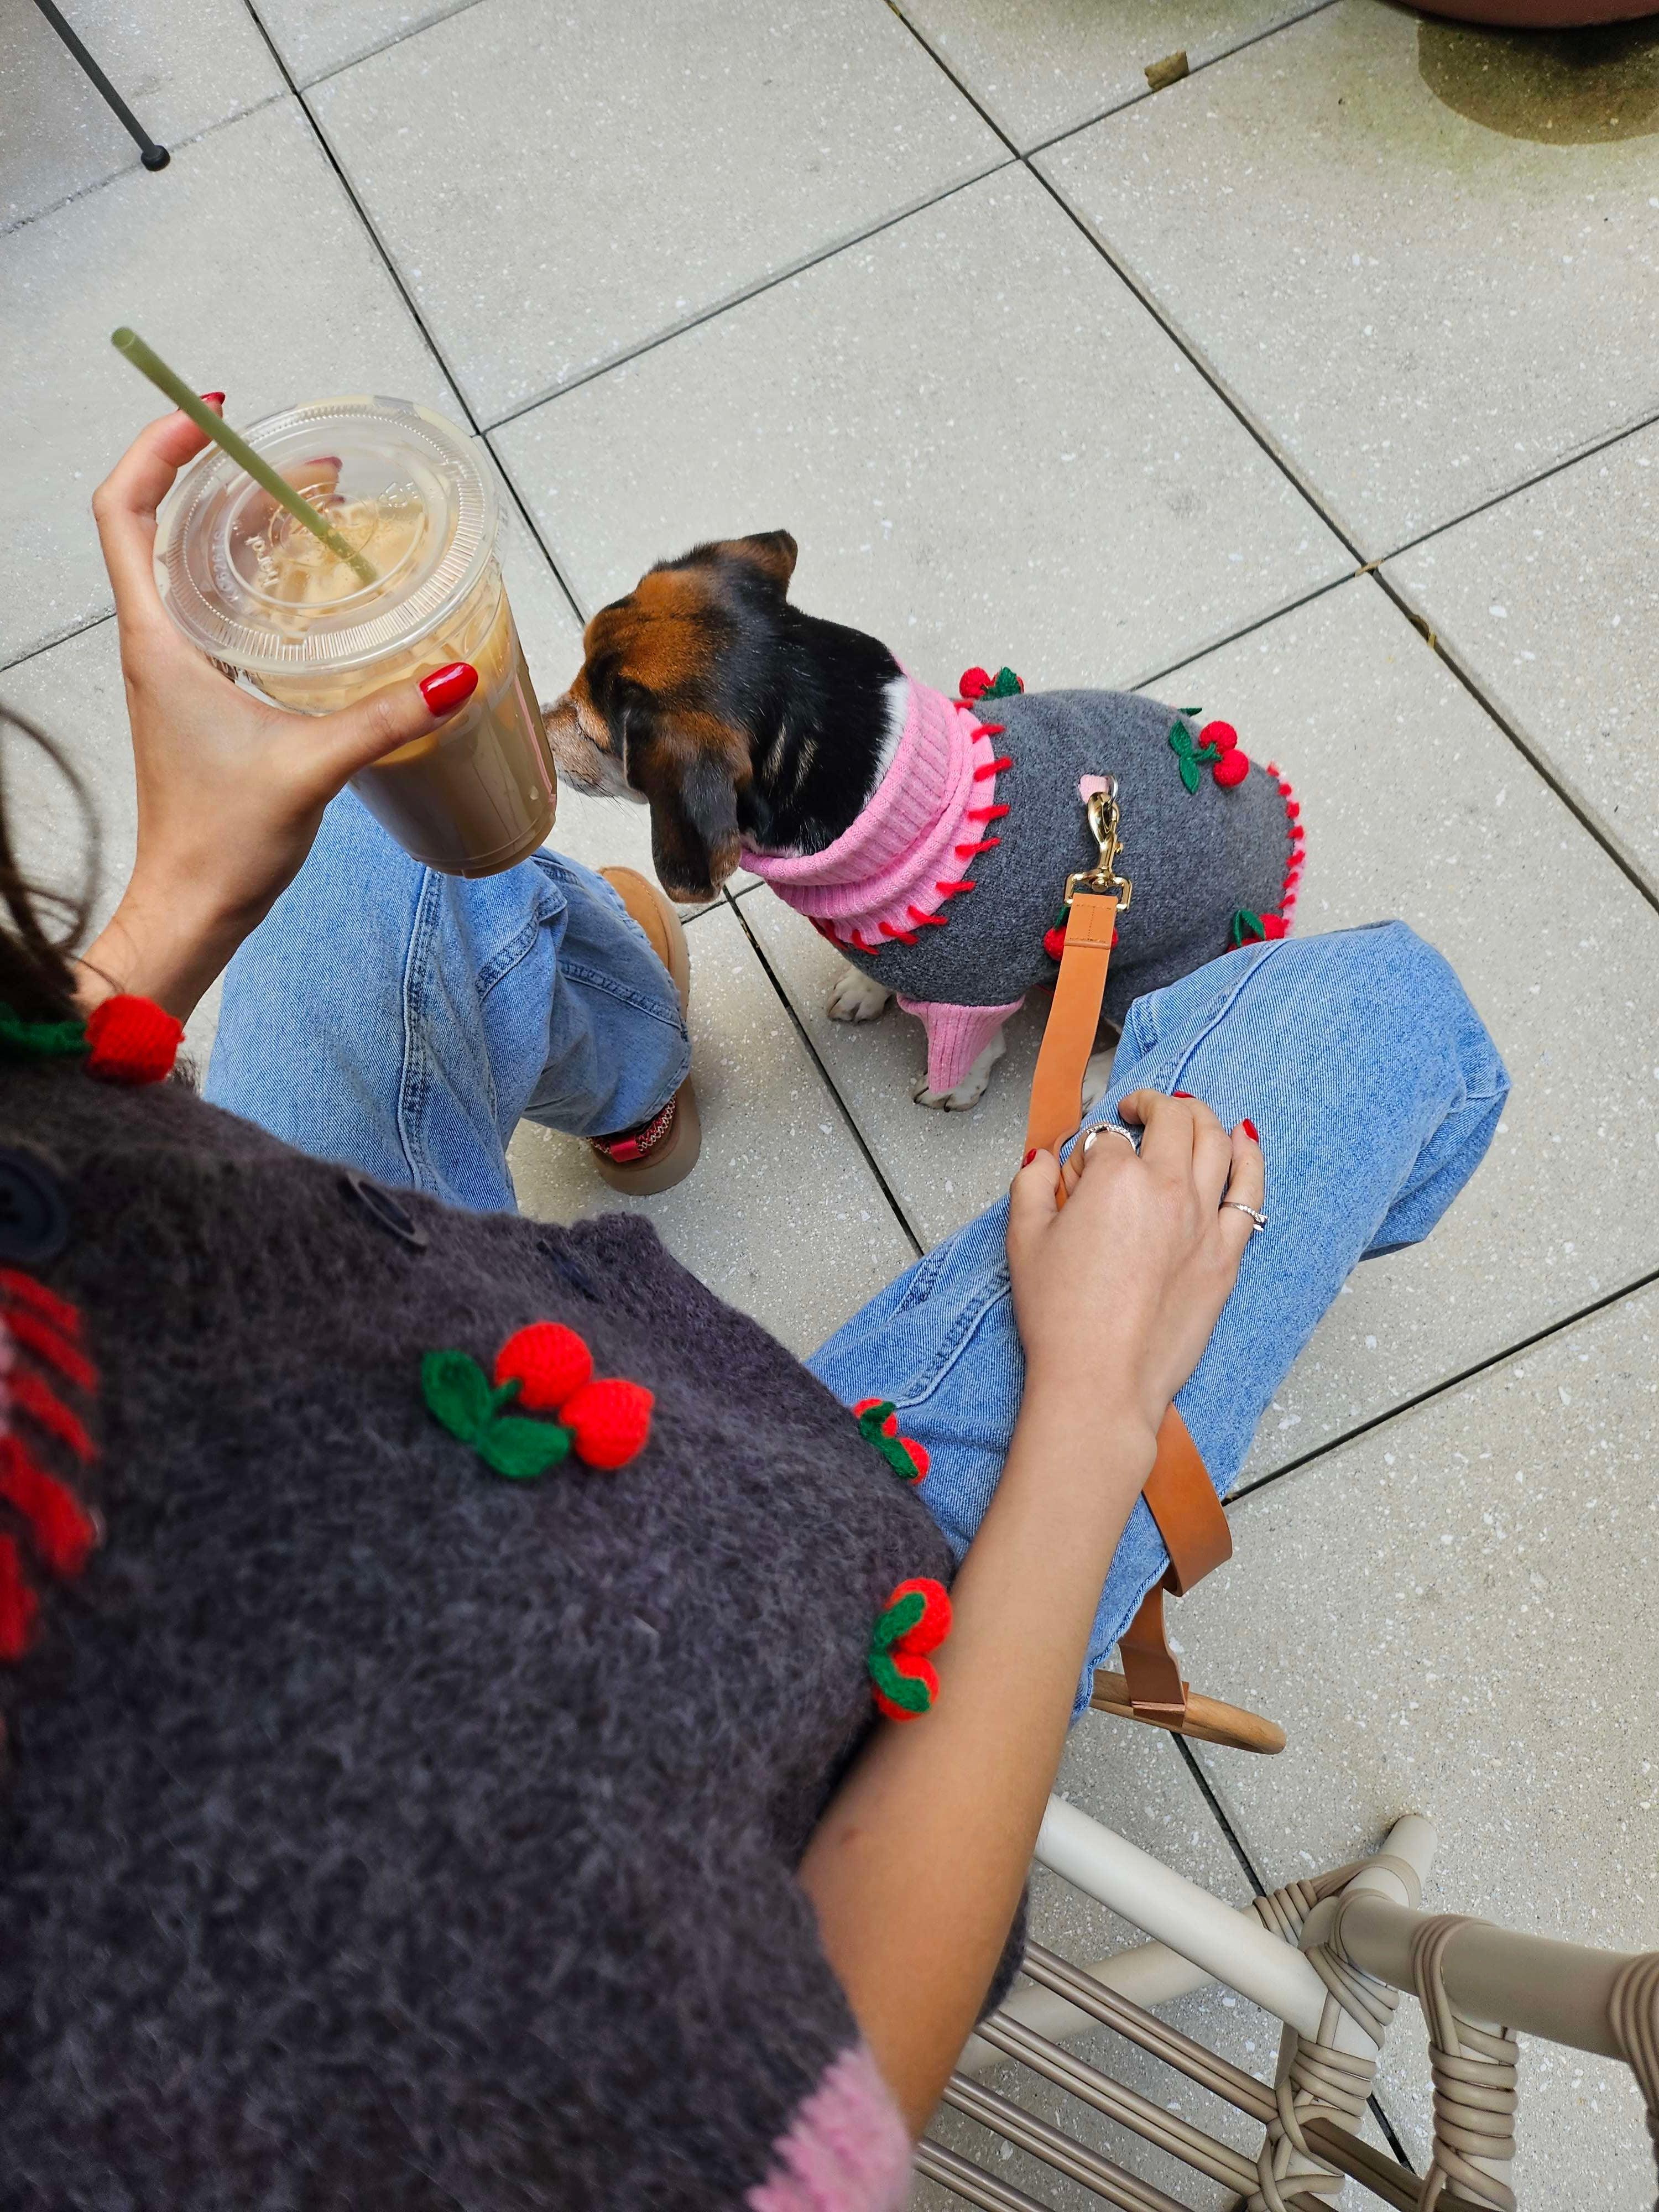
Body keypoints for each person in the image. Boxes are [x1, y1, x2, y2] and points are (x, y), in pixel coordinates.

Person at [0, 409, 1509, 2211]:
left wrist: (164, 909)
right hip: (809, 1657)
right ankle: (638, 1029)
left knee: (366, 819)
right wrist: (1100, 1400)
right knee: (1389, 1017)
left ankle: (632, 1069)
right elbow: (835, 2060)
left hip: (391, 1336)